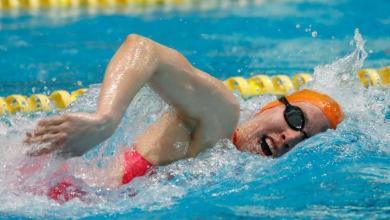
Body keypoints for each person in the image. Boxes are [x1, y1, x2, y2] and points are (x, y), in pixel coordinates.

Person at [23, 34, 343, 201]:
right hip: (43, 190)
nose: (291, 138)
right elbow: (143, 49)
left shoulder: (230, 167)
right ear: (273, 104)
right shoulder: (221, 117)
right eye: (296, 119)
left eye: (306, 141)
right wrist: (105, 120)